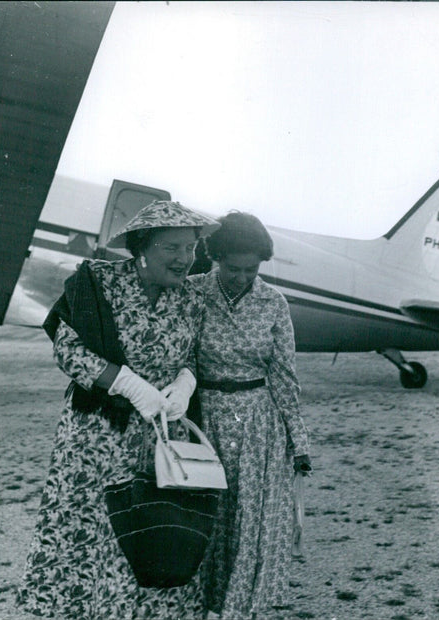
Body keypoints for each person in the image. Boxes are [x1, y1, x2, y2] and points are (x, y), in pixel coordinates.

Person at [17, 200, 218, 619]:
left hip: (160, 436)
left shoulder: (192, 298)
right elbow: (68, 349)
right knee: (96, 532)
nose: (185, 259)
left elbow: (194, 357)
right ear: (142, 247)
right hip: (97, 437)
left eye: (192, 247)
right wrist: (126, 383)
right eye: (173, 248)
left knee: (153, 530)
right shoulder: (98, 282)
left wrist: (185, 384)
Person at [188, 211, 311, 620]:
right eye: (233, 268)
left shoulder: (273, 303)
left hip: (258, 427)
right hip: (202, 422)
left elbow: (283, 375)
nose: (242, 277)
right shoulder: (190, 295)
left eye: (252, 269)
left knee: (248, 525)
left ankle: (239, 611)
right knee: (204, 521)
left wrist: (299, 442)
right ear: (215, 258)